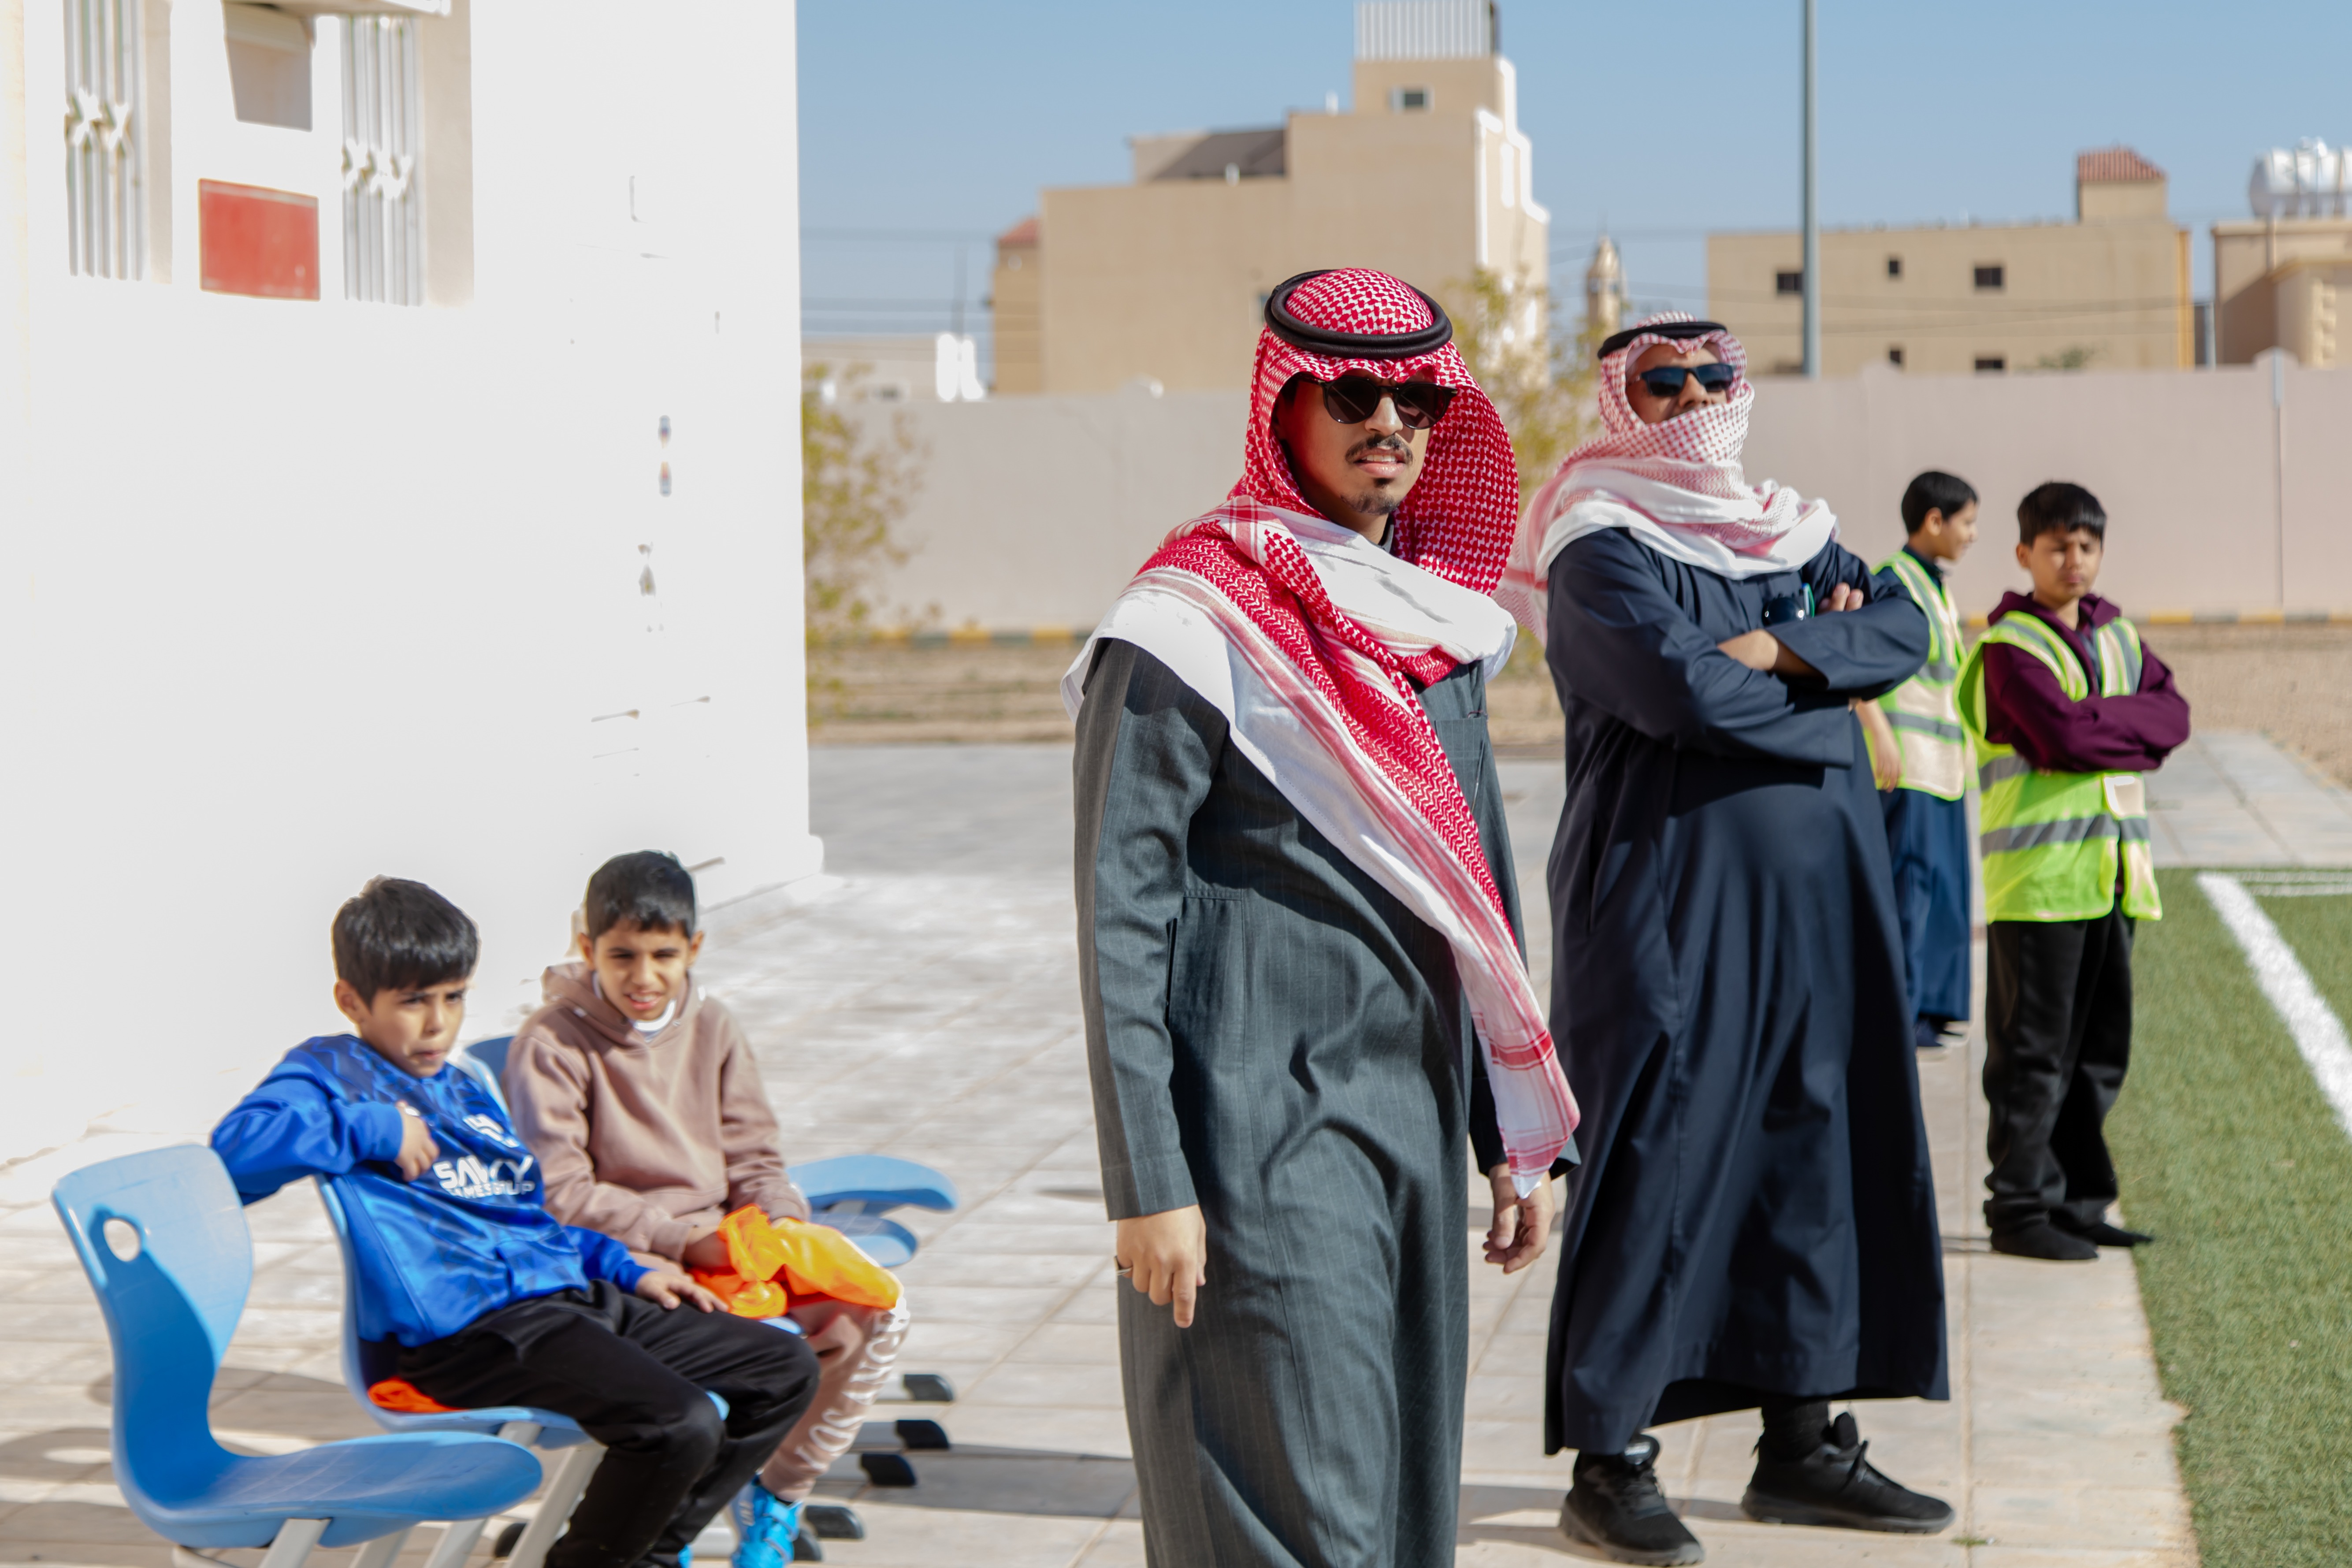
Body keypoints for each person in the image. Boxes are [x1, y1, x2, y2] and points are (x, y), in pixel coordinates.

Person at [1067, 268, 1579, 1567]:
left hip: (1401, 1122)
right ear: (1280, 406)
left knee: (1404, 1499)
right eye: (1353, 393)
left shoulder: (1434, 629)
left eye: (1416, 397)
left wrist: (1508, 1133)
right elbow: (1120, 918)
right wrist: (1148, 1180)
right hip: (1255, 1136)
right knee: (1295, 1499)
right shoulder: (1188, 624)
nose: (1390, 420)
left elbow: (1471, 895)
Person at [1496, 313, 1951, 1565]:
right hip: (1663, 901)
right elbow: (1677, 693)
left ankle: (1801, 1441)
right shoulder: (1599, 542)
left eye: (1710, 373)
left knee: (1814, 1142)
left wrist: (1775, 647)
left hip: (1819, 899)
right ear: (1618, 397)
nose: (1690, 393)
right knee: (1658, 1153)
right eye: (1662, 379)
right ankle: (1610, 1458)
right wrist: (1822, 684)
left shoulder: (1789, 528)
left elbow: (1904, 629)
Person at [211, 877, 818, 1568]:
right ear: (352, 1000)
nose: (438, 1022)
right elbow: (234, 1151)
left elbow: (526, 1217)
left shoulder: (464, 1085)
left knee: (782, 1366)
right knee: (678, 1421)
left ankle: (645, 1552)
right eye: (412, 1000)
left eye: (453, 996)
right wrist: (372, 1125)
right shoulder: (332, 1073)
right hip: (473, 1336)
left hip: (565, 1301)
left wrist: (624, 1265)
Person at [503, 851, 909, 1567]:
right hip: (635, 1261)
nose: (643, 976)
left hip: (728, 1247)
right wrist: (684, 1241)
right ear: (584, 944)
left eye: (663, 954)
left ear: (693, 947)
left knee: (862, 1315)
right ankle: (669, 1522)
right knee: (729, 1356)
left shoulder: (715, 1026)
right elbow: (561, 1193)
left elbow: (754, 1157)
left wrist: (781, 1221)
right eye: (621, 954)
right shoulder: (552, 1042)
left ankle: (777, 1495)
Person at [1957, 481, 2189, 1262]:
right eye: (2057, 546)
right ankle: (2019, 1209)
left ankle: (2079, 1201)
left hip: (2113, 878)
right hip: (2042, 885)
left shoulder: (2116, 635)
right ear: (2024, 554)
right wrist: (2122, 729)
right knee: (2032, 1055)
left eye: (2086, 545)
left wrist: (2102, 725)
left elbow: (2175, 717)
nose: (2074, 560)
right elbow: (2058, 739)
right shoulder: (2006, 649)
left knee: (2097, 1053)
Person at [1868, 471, 1982, 1052]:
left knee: (1941, 888)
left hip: (1942, 765)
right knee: (1907, 891)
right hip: (1905, 765)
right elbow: (1855, 657)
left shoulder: (1934, 584)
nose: (1972, 534)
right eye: (1966, 522)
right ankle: (1900, 1012)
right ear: (1933, 522)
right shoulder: (1892, 582)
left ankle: (1933, 1005)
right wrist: (1876, 729)